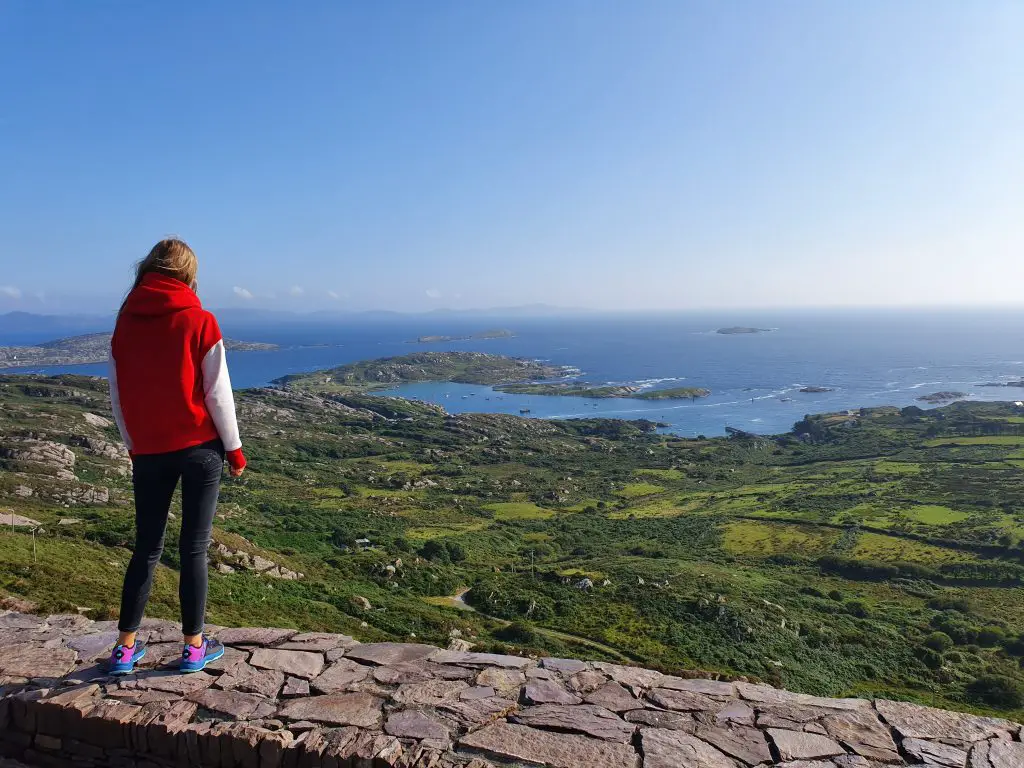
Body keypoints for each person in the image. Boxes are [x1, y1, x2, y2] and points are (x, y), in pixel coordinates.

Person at [106, 238, 246, 674]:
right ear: (188, 273)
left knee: (146, 547)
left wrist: (133, 443)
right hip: (200, 448)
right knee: (194, 548)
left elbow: (118, 395)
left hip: (148, 449)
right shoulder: (200, 320)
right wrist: (235, 449)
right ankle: (193, 648)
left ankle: (125, 651)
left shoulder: (125, 323)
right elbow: (217, 393)